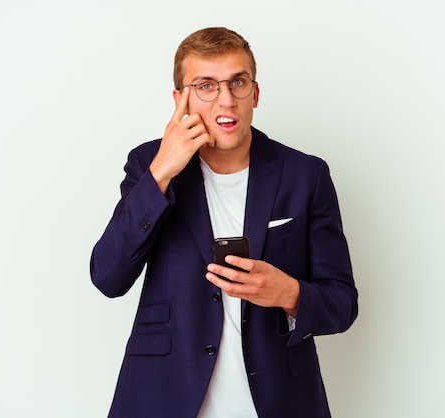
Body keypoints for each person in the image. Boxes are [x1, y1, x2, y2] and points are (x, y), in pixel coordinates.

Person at [90, 27, 358, 418]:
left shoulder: (306, 175)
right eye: (205, 86)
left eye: (237, 82)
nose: (226, 100)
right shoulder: (148, 164)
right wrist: (162, 171)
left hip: (278, 401)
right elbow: (107, 277)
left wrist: (288, 293)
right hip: (164, 396)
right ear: (179, 100)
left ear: (256, 93)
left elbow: (343, 304)